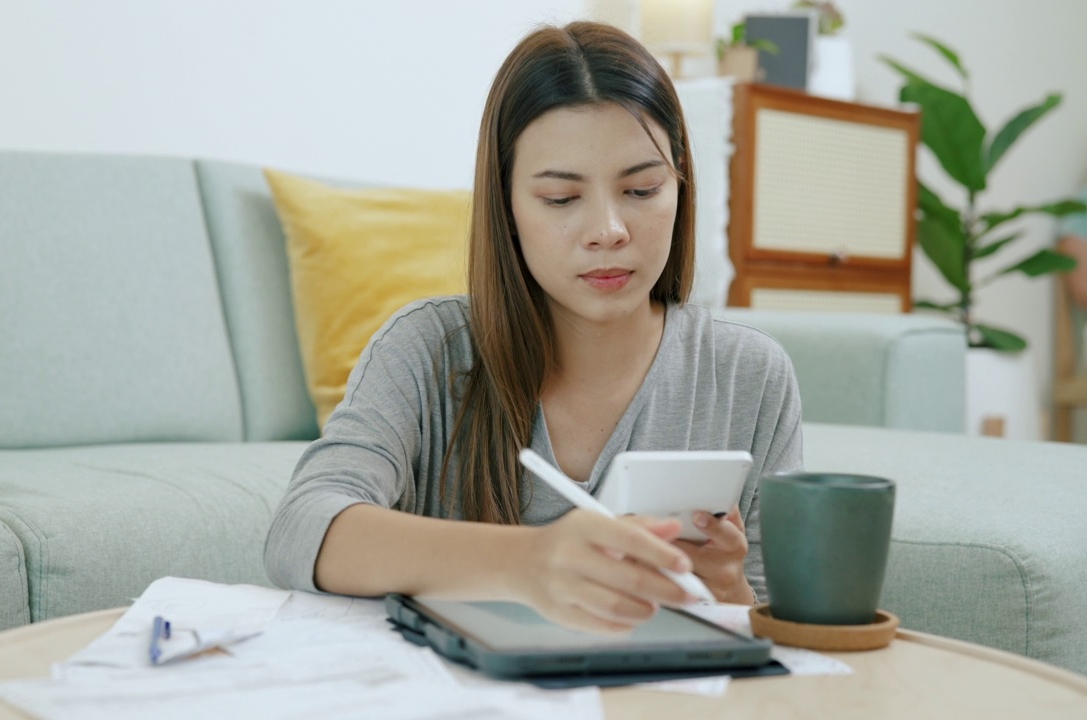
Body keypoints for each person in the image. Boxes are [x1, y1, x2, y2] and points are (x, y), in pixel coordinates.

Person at [264, 21, 802, 634]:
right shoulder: (427, 350)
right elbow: (302, 529)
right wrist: (531, 562)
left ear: (680, 185)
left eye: (641, 189)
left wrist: (727, 588)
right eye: (560, 199)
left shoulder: (748, 376)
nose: (608, 229)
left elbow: (778, 629)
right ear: (507, 203)